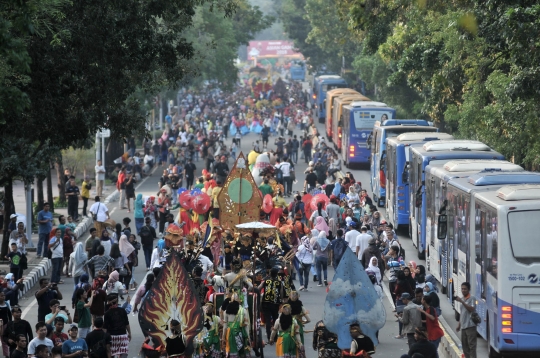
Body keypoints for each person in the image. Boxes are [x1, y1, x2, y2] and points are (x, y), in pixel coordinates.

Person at [221, 293, 251, 358]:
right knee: (242, 352)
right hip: (241, 333)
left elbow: (225, 326)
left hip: (230, 334)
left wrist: (223, 337)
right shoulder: (244, 311)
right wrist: (248, 337)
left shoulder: (226, 312)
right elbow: (246, 326)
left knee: (233, 351)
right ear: (239, 301)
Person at [258, 267, 283, 341]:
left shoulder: (265, 281)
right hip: (275, 303)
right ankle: (274, 336)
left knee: (268, 319)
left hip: (265, 303)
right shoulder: (279, 283)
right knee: (275, 319)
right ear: (276, 274)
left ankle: (269, 336)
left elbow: (258, 289)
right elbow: (281, 295)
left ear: (269, 274)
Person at [455, 282, 477, 358]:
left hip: (470, 326)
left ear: (469, 289)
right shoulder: (462, 299)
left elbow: (471, 309)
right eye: (462, 289)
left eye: (465, 289)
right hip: (463, 327)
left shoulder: (472, 298)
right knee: (465, 347)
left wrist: (462, 302)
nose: (463, 290)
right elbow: (462, 313)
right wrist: (459, 325)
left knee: (472, 347)